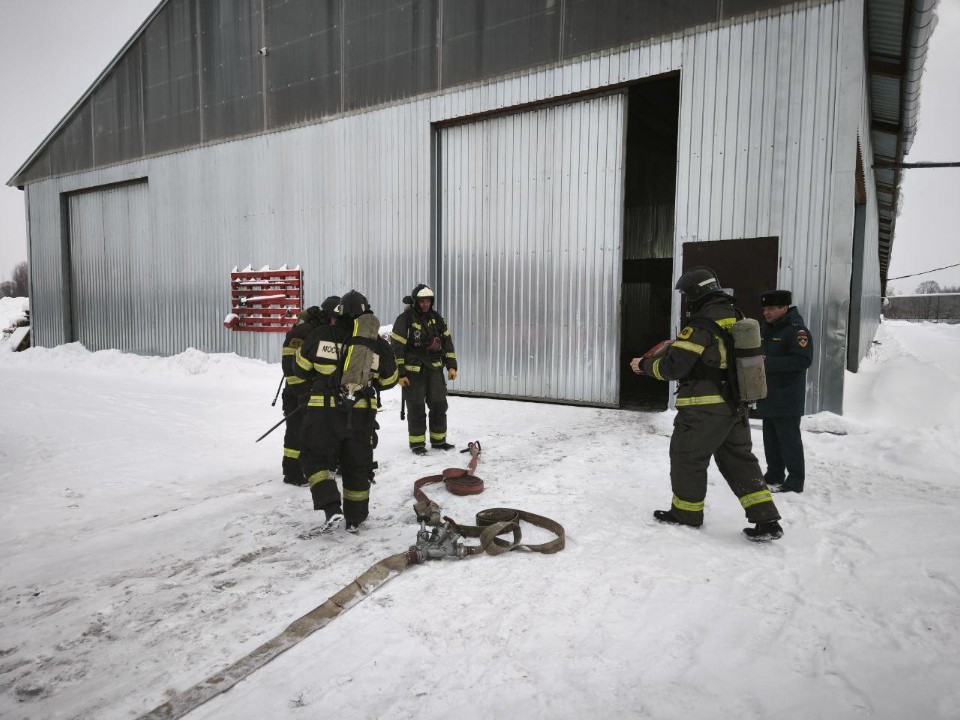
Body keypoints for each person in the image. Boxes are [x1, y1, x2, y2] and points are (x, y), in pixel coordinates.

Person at [629, 266, 783, 541]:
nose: (688, 300)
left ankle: (686, 514)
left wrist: (644, 364)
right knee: (740, 461)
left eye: (688, 295)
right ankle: (767, 519)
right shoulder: (737, 316)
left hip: (704, 409)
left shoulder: (701, 325)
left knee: (687, 457)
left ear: (698, 294)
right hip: (735, 406)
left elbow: (673, 367)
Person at [292, 290, 398, 534]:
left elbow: (300, 369)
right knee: (357, 466)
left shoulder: (321, 335)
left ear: (337, 314)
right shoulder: (377, 344)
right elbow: (390, 379)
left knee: (314, 458)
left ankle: (331, 508)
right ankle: (355, 519)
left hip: (323, 413)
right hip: (362, 415)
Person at [390, 283, 458, 455]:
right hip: (414, 373)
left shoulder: (436, 318)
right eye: (422, 301)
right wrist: (401, 373)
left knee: (439, 405)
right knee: (417, 408)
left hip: (434, 370)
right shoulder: (405, 319)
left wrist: (451, 366)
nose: (425, 304)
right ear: (415, 301)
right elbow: (397, 346)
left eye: (428, 301)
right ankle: (417, 444)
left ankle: (439, 440)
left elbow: (447, 343)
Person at [757, 289, 813, 494]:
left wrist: (768, 363)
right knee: (770, 440)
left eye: (771, 308)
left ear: (784, 308)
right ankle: (774, 474)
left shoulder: (797, 331)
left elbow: (803, 360)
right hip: (768, 394)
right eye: (764, 308)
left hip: (787, 396)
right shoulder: (767, 329)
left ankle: (795, 480)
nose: (766, 312)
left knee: (789, 441)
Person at [279, 297, 339, 486]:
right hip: (297, 393)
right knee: (296, 432)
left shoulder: (325, 332)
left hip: (314, 392)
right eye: (335, 317)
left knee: (317, 432)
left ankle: (322, 467)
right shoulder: (302, 333)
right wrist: (303, 393)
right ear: (328, 315)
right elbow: (289, 368)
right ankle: (293, 473)